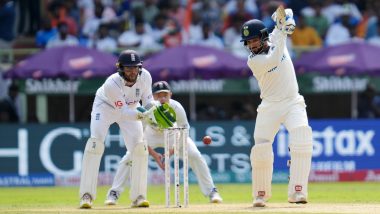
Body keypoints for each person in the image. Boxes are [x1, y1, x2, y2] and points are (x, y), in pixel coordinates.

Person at [79, 50, 174, 209]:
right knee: (95, 145)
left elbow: (148, 102)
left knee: (139, 149)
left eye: (135, 68)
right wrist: (145, 116)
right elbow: (122, 113)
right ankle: (86, 196)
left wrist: (154, 114)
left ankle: (138, 196)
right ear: (120, 68)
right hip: (105, 108)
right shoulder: (112, 83)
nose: (132, 71)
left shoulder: (146, 77)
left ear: (140, 68)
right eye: (128, 68)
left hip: (132, 107)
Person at [104, 81, 223, 205]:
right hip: (150, 136)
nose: (162, 98)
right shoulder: (147, 109)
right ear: (153, 96)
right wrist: (155, 155)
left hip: (174, 135)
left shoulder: (176, 107)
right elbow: (139, 136)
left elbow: (184, 131)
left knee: (195, 155)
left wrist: (169, 153)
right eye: (158, 95)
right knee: (129, 158)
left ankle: (212, 192)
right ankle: (114, 193)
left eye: (165, 95)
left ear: (170, 95)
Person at [240, 7, 313, 207]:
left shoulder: (275, 36)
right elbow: (275, 56)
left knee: (302, 136)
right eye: (249, 42)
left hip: (292, 101)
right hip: (270, 105)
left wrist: (285, 19)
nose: (252, 45)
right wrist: (282, 30)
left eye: (255, 40)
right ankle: (260, 195)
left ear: (263, 37)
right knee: (261, 148)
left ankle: (298, 191)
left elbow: (285, 10)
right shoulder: (254, 61)